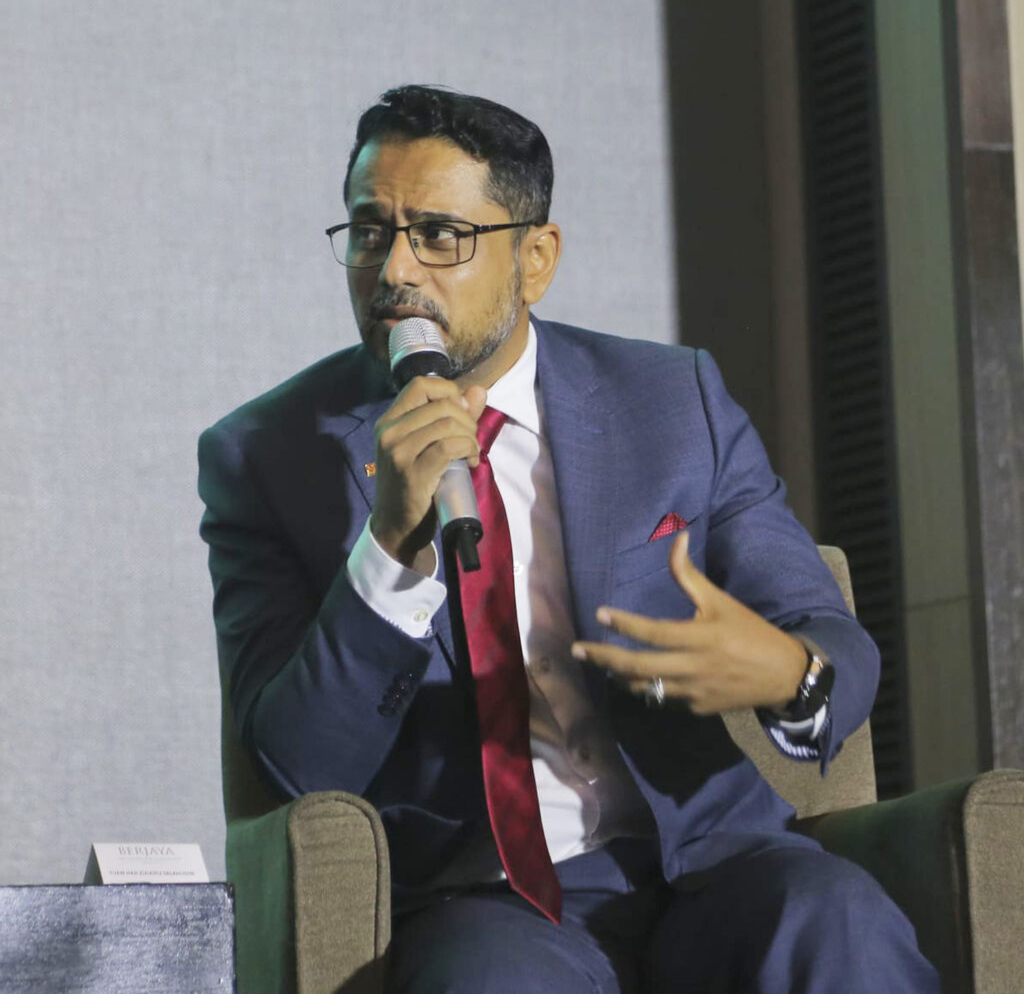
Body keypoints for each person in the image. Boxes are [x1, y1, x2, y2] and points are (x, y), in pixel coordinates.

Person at [198, 85, 938, 992]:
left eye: (440, 235)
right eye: (370, 231)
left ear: (535, 259)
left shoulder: (674, 400)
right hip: (485, 898)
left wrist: (791, 673)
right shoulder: (265, 457)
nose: (395, 270)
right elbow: (294, 768)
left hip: (713, 866)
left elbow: (827, 635)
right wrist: (388, 549)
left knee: (840, 919)